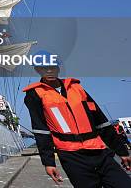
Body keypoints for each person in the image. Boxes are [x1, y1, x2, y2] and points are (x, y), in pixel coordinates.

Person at [23, 51, 130, 187]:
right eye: (44, 68)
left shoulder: (76, 88)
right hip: (71, 157)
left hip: (99, 151)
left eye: (52, 66)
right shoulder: (34, 95)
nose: (49, 70)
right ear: (37, 70)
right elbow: (41, 130)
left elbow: (101, 121)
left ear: (58, 68)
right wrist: (49, 162)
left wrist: (121, 151)